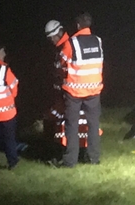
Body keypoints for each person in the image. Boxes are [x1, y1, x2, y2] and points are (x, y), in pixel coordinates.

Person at [57, 12, 103, 167]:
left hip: (74, 91)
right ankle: (94, 158)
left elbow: (62, 63)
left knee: (72, 125)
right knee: (93, 125)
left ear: (77, 25)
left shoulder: (71, 43)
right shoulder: (98, 41)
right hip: (94, 90)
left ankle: (70, 161)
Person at [44, 20, 91, 153]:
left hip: (70, 93)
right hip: (65, 93)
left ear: (59, 32)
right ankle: (67, 151)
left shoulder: (67, 46)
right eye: (49, 38)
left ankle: (61, 152)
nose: (51, 40)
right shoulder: (61, 47)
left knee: (63, 121)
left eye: (52, 36)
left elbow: (66, 70)